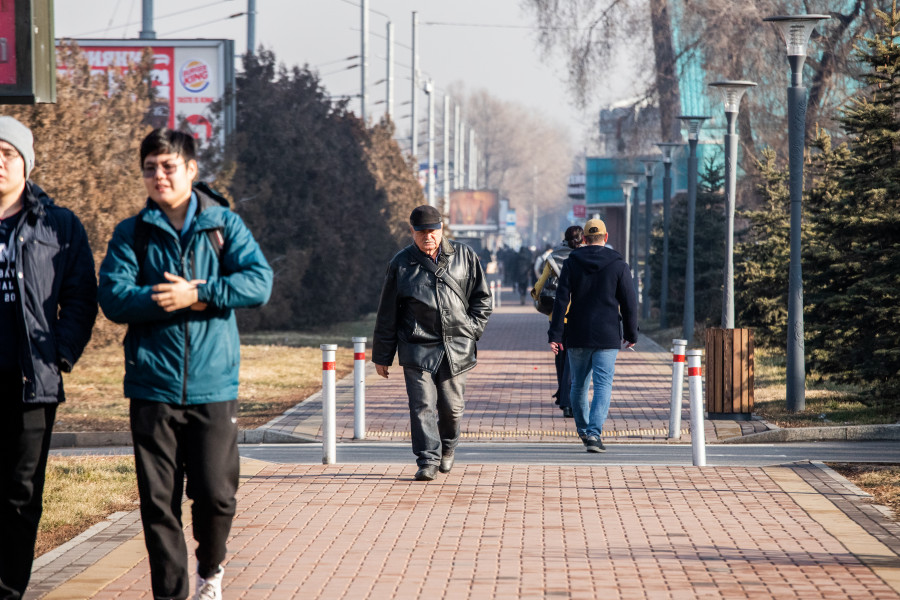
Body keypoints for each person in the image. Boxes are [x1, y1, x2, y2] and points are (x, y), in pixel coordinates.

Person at [98, 128, 273, 600]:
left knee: (216, 494)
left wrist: (199, 292)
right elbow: (113, 297)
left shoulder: (223, 226)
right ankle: (171, 595)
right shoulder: (132, 233)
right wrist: (167, 299)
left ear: (191, 170)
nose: (159, 175)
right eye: (150, 167)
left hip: (213, 385)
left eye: (169, 166)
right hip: (151, 384)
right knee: (159, 503)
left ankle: (210, 568)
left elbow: (258, 283)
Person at [0, 116, 98, 600]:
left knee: (21, 494)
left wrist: (59, 353)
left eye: (8, 153)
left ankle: (8, 588)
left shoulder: (58, 225)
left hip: (30, 380)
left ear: (27, 163)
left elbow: (82, 296)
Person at [373, 205, 492, 481]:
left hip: (456, 347)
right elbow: (387, 313)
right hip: (417, 345)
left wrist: (471, 330)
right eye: (421, 232)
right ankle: (427, 459)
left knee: (451, 408)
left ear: (441, 229)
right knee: (422, 405)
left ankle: (448, 447)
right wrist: (382, 356)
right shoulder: (401, 264)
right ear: (412, 232)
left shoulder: (464, 256)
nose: (428, 237)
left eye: (433, 231)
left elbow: (482, 299)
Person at [547, 218, 637, 453]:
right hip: (607, 333)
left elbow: (561, 300)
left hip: (577, 331)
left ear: (584, 240)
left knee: (578, 385)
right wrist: (631, 332)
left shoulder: (572, 262)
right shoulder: (618, 263)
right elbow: (629, 301)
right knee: (603, 384)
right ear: (606, 238)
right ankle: (594, 434)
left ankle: (584, 431)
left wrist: (555, 334)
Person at [531, 225, 583, 419]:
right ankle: (568, 399)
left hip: (557, 315)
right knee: (575, 358)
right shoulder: (585, 256)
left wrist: (536, 295)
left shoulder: (553, 257)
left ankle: (563, 395)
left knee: (560, 357)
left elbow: (541, 282)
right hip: (579, 315)